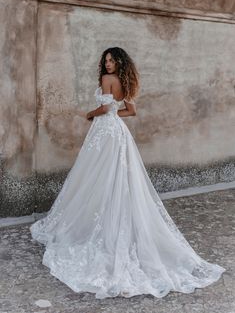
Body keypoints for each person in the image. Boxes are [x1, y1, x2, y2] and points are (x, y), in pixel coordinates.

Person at [30, 47, 225, 299]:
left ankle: (96, 224)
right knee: (114, 176)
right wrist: (111, 114)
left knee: (96, 175)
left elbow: (103, 109)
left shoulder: (106, 80)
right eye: (106, 60)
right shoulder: (125, 82)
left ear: (118, 62)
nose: (108, 64)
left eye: (112, 60)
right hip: (118, 132)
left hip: (105, 131)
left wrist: (91, 113)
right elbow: (129, 111)